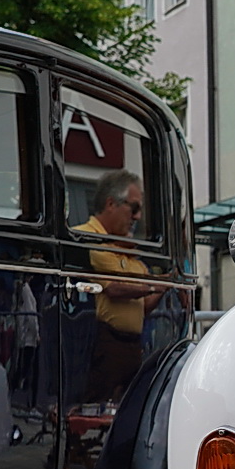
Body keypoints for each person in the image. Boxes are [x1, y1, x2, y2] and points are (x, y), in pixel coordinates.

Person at [75, 169, 164, 403]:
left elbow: (143, 306)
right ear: (111, 203)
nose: (137, 217)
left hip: (131, 346)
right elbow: (114, 288)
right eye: (134, 208)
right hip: (102, 343)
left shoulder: (124, 248)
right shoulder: (88, 239)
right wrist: (154, 286)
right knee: (94, 407)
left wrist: (165, 286)